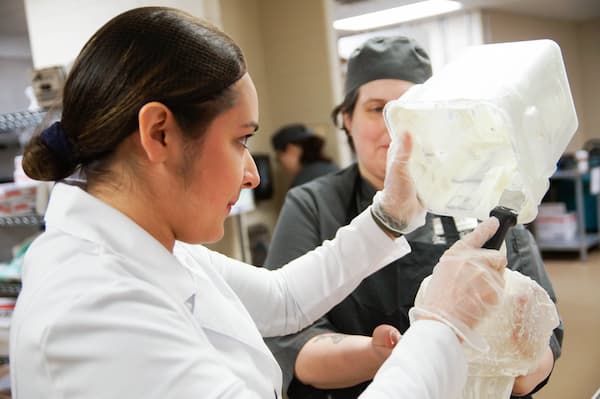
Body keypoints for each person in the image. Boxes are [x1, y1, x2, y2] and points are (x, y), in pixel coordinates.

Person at [9, 8, 507, 398]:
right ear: (158, 133)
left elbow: (283, 300)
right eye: (240, 140)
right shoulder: (94, 312)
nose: (252, 174)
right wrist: (443, 325)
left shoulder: (148, 247)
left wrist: (392, 214)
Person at [264, 36, 563, 399]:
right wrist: (389, 352)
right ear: (347, 118)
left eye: (413, 107)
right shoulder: (314, 204)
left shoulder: (484, 196)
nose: (396, 126)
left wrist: (512, 363)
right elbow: (290, 340)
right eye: (378, 108)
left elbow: (544, 334)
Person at [271, 123, 339, 188]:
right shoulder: (332, 167)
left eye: (279, 156)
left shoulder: (303, 182)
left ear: (291, 149)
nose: (281, 164)